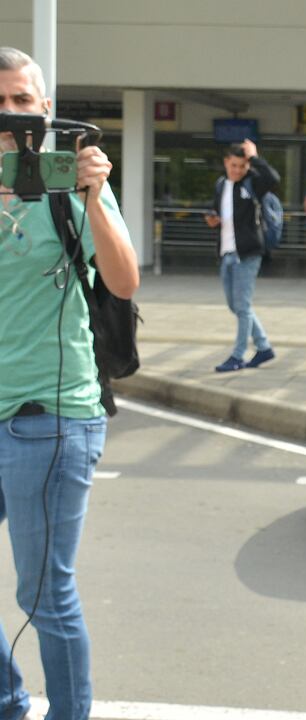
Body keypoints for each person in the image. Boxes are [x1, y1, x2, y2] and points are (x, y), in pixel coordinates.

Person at [0, 46, 140, 720]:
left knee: (43, 594)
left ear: (46, 109)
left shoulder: (67, 179)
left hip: (50, 417)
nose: (10, 111)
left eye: (23, 99)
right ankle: (6, 697)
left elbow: (122, 280)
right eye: (1, 101)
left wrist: (93, 195)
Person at [203, 139, 278, 372]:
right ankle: (264, 347)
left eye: (242, 166)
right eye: (234, 165)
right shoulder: (220, 185)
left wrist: (254, 157)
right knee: (235, 306)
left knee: (243, 307)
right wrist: (213, 219)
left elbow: (273, 179)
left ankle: (237, 355)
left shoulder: (252, 183)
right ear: (226, 163)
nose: (237, 170)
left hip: (248, 253)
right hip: (226, 252)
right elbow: (219, 210)